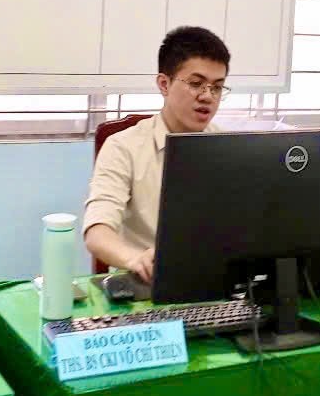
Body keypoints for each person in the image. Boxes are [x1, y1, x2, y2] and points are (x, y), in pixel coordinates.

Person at [82, 26, 231, 283]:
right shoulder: (123, 147)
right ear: (164, 84)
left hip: (214, 281)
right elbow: (97, 232)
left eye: (217, 87)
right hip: (146, 284)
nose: (208, 96)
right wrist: (134, 259)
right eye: (196, 84)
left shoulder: (228, 147)